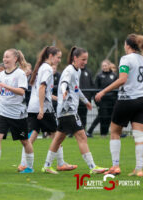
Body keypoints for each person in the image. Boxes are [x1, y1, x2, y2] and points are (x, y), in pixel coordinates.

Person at [41, 46, 108, 174]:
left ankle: (47, 165)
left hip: (65, 110)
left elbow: (76, 89)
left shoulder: (77, 71)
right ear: (75, 58)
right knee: (82, 136)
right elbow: (63, 84)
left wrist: (86, 101)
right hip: (68, 110)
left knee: (58, 138)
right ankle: (92, 167)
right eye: (83, 59)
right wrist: (63, 91)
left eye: (86, 59)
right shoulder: (69, 70)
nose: (85, 62)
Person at [95, 34, 143, 177]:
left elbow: (122, 79)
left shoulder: (126, 59)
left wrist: (104, 91)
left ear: (127, 45)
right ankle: (139, 169)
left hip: (127, 99)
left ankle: (115, 166)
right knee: (139, 135)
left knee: (114, 132)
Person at [18, 46, 76, 173]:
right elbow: (42, 89)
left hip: (32, 106)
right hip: (43, 108)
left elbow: (42, 90)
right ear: (50, 56)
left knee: (32, 135)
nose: (59, 60)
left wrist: (57, 98)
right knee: (57, 135)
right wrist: (42, 108)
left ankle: (23, 164)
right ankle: (60, 163)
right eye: (58, 57)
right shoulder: (48, 68)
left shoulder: (40, 67)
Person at [0, 49, 34, 174]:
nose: (5, 59)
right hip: (3, 113)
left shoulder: (20, 74)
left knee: (25, 141)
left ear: (15, 59)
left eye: (7, 57)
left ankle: (30, 167)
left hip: (18, 114)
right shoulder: (0, 75)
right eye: (4, 57)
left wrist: (7, 86)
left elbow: (22, 91)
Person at [87, 60, 117, 137]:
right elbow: (95, 89)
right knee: (103, 116)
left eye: (105, 65)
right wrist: (97, 101)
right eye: (103, 66)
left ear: (109, 66)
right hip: (103, 101)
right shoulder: (99, 76)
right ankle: (102, 133)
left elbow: (117, 88)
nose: (104, 67)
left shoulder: (114, 75)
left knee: (109, 117)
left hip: (112, 101)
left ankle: (104, 133)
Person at [77, 62, 94, 133]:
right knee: (75, 116)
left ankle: (83, 131)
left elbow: (92, 84)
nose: (83, 62)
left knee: (84, 117)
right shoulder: (75, 71)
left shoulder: (88, 72)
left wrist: (90, 96)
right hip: (76, 99)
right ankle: (72, 132)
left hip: (86, 99)